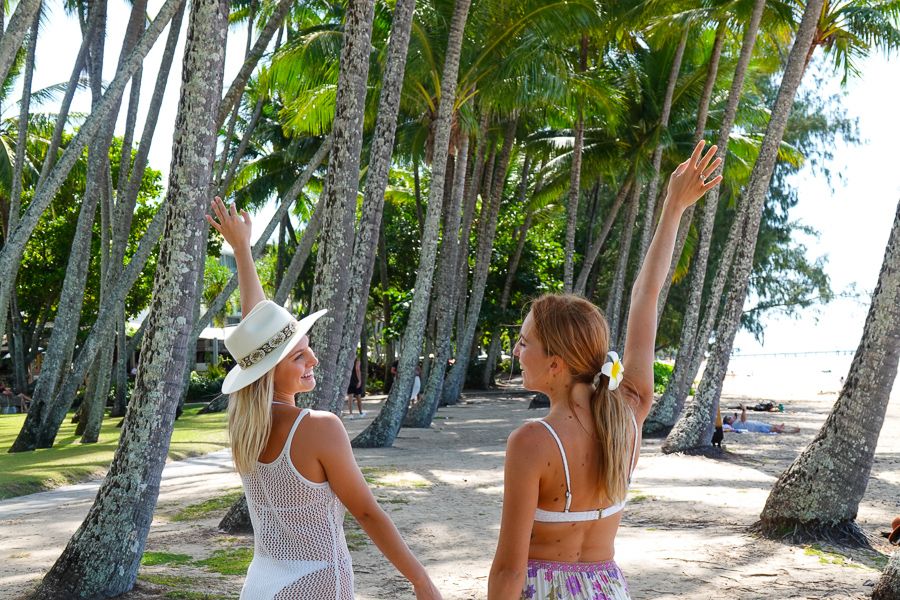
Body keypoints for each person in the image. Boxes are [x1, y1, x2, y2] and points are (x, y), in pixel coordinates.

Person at [488, 141, 723, 600]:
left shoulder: (532, 442)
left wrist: (674, 204)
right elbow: (646, 297)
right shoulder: (628, 414)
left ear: (555, 364)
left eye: (524, 342)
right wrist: (673, 207)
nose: (517, 351)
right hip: (606, 589)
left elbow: (508, 571)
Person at [206, 197, 441, 600]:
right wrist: (420, 580)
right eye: (299, 355)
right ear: (270, 371)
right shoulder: (317, 428)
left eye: (308, 347)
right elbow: (366, 512)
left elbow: (258, 335)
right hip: (316, 585)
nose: (313, 358)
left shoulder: (245, 427)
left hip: (260, 584)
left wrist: (244, 252)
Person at [723, 404, 799, 434]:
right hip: (757, 427)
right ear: (729, 422)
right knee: (773, 428)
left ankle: (779, 428)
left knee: (772, 426)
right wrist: (744, 410)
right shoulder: (735, 424)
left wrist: (737, 416)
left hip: (756, 425)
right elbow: (743, 420)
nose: (732, 417)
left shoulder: (735, 424)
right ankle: (790, 432)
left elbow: (741, 420)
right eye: (730, 418)